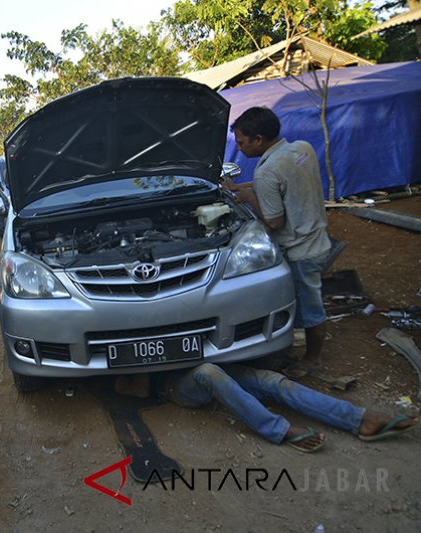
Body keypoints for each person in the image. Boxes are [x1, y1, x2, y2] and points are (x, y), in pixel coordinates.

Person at [229, 107, 331, 376]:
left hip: (300, 250)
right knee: (307, 299)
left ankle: (313, 359)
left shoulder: (267, 172)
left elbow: (274, 222)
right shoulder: (301, 149)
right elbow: (280, 180)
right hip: (318, 237)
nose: (239, 149)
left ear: (258, 139)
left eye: (241, 142)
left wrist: (249, 198)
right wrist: (239, 187)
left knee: (310, 306)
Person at [117, 364, 418, 452]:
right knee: (207, 374)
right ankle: (280, 430)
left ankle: (358, 418)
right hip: (175, 384)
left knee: (274, 382)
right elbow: (135, 390)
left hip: (224, 362)